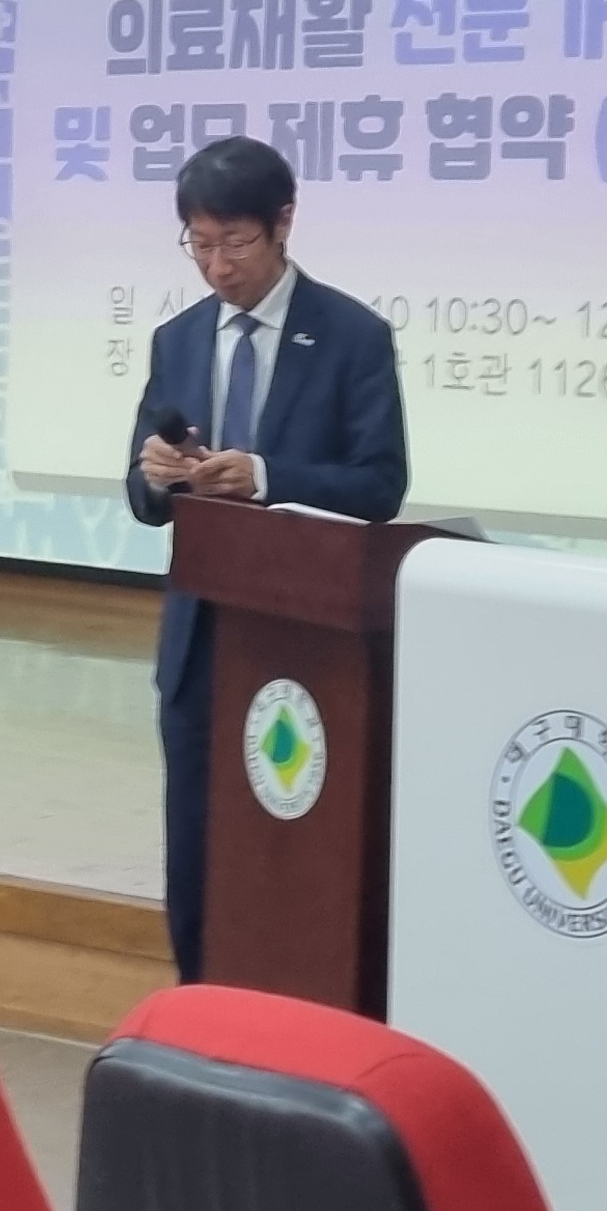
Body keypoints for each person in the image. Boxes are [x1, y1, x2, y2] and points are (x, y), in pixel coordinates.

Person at [124, 137, 407, 983]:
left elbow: (380, 484)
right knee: (194, 855)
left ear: (283, 224)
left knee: (295, 851)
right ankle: (196, 1008)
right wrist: (156, 474)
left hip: (306, 647)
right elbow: (142, 497)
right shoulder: (178, 339)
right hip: (200, 642)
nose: (218, 267)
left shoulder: (352, 336)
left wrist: (267, 477)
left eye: (236, 243)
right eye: (200, 245)